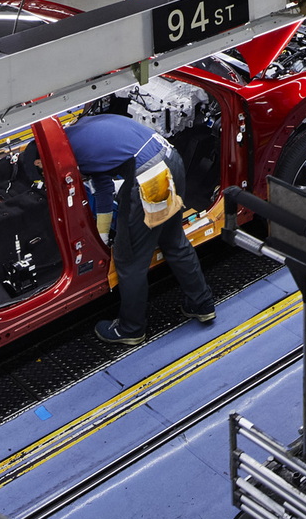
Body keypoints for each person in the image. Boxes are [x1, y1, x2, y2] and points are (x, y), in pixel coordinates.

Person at [53, 113, 215, 346]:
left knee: (129, 259)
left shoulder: (71, 155)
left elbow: (102, 190)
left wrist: (106, 239)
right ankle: (202, 304)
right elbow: (103, 186)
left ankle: (131, 329)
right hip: (172, 160)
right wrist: (102, 235)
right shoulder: (80, 130)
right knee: (173, 240)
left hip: (151, 178)